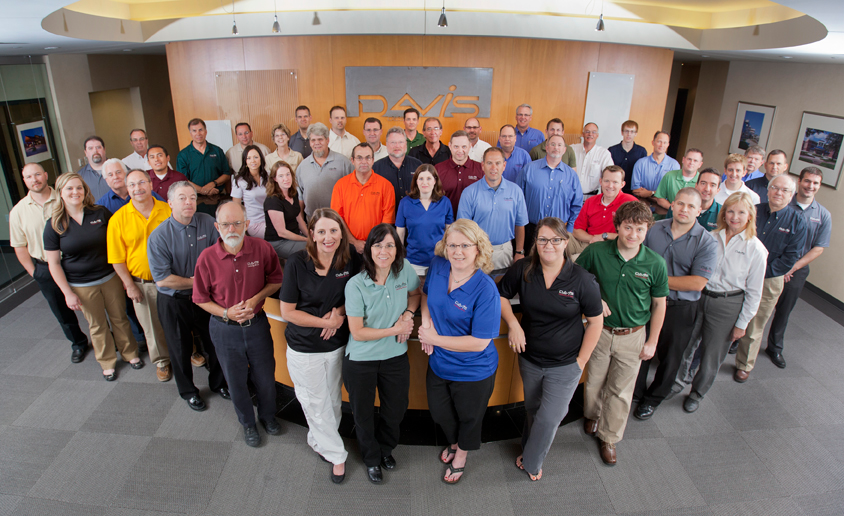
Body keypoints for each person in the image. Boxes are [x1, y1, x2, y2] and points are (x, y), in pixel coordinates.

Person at [499, 217, 603, 481]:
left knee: (549, 418)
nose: (549, 245)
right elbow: (500, 295)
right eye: (543, 239)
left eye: (555, 240)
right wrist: (513, 323)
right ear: (536, 242)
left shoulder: (581, 279)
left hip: (566, 363)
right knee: (533, 409)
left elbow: (596, 322)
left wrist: (581, 361)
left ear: (566, 242)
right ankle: (528, 446)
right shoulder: (524, 269)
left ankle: (532, 462)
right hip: (530, 358)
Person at [576, 201, 668, 466]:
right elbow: (576, 278)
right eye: (628, 227)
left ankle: (609, 437)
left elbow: (659, 304)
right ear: (617, 226)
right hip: (599, 332)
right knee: (594, 381)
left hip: (633, 335)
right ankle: (593, 415)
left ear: (647, 230)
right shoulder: (596, 251)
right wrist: (594, 299)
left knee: (620, 390)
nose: (633, 234)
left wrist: (652, 341)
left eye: (640, 229)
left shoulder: (655, 263)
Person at [279, 208, 361, 484]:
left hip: (336, 344)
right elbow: (288, 312)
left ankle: (318, 440)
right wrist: (323, 322)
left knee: (332, 399)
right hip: (305, 348)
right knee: (315, 402)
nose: (329, 237)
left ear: (342, 233)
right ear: (312, 234)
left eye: (334, 231)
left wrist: (339, 313)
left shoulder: (350, 257)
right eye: (322, 231)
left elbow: (357, 293)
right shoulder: (297, 263)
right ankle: (337, 455)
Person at [193, 201, 283, 447]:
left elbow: (276, 280)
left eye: (236, 223)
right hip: (224, 330)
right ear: (217, 227)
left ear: (246, 224)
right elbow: (200, 299)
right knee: (235, 381)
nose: (231, 229)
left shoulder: (262, 249)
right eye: (225, 224)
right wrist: (226, 313)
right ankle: (247, 423)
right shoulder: (206, 258)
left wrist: (255, 299)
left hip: (257, 326)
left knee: (265, 378)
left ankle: (267, 417)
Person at [419, 219, 501, 484]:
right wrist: (426, 323)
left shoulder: (485, 288)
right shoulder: (439, 265)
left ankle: (461, 455)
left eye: (465, 245)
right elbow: (425, 295)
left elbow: (480, 342)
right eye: (452, 245)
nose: (457, 251)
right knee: (439, 413)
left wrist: (435, 338)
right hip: (440, 362)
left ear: (478, 248)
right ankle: (454, 442)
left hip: (473, 369)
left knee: (469, 418)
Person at [674, 192, 767, 412]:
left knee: (711, 354)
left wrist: (742, 324)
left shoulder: (756, 249)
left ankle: (697, 393)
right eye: (730, 211)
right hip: (699, 296)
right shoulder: (711, 237)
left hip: (727, 304)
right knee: (685, 345)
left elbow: (755, 293)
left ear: (750, 216)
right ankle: (677, 382)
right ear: (723, 213)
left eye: (741, 212)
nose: (735, 217)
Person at [43, 173, 142, 380]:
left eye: (79, 187)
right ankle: (107, 362)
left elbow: (118, 244)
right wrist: (67, 293)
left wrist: (125, 277)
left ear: (85, 190)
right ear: (60, 193)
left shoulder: (100, 212)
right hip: (81, 285)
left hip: (110, 277)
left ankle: (130, 353)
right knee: (97, 325)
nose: (75, 192)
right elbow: (54, 264)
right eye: (69, 188)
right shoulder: (54, 224)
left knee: (120, 318)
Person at [343, 224, 422, 484]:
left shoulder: (404, 269)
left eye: (390, 245)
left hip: (395, 356)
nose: (384, 251)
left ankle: (386, 449)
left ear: (397, 249)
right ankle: (371, 459)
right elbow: (357, 332)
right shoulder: (356, 284)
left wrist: (408, 314)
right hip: (361, 360)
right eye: (378, 245)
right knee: (363, 414)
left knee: (395, 409)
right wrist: (396, 329)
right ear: (369, 249)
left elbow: (416, 294)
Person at [633, 188, 718, 420]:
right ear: (672, 204)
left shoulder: (707, 242)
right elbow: (638, 258)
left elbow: (697, 282)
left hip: (680, 307)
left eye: (691, 206)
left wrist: (655, 280)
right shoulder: (654, 229)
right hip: (646, 301)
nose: (684, 209)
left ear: (699, 211)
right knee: (640, 347)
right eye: (680, 203)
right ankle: (636, 392)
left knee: (670, 357)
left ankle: (653, 399)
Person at [148, 182, 230, 411]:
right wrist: (198, 281)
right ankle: (189, 392)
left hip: (206, 298)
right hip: (174, 300)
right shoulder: (159, 236)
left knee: (215, 342)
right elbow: (163, 279)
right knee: (180, 349)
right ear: (170, 203)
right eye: (182, 198)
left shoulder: (207, 222)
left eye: (193, 197)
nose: (188, 202)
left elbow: (221, 254)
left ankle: (219, 383)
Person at [10, 164, 89, 362]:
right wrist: (35, 273)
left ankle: (105, 335)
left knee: (91, 303)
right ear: (24, 180)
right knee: (61, 309)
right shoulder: (18, 211)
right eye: (29, 177)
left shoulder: (66, 196)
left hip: (74, 261)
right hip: (45, 267)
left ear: (46, 175)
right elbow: (20, 247)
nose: (34, 179)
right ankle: (78, 343)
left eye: (37, 174)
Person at [734, 175, 806, 381]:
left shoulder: (798, 221)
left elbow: (790, 258)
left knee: (756, 323)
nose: (778, 193)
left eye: (784, 190)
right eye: (775, 187)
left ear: (792, 195)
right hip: (740, 272)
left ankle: (744, 364)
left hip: (770, 278)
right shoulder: (753, 210)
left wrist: (759, 273)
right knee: (730, 313)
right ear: (768, 190)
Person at [107, 169, 173, 382]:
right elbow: (117, 258)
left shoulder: (168, 209)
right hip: (142, 283)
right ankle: (162, 361)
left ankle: (189, 351)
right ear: (127, 189)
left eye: (142, 183)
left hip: (173, 280)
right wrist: (129, 285)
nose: (138, 188)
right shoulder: (118, 219)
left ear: (151, 184)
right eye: (133, 185)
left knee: (178, 320)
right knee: (151, 325)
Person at [766, 167, 831, 368]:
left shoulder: (823, 215)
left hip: (797, 269)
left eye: (815, 183)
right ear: (799, 182)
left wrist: (792, 268)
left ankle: (774, 348)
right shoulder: (783, 202)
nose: (811, 186)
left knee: (784, 310)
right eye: (807, 181)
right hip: (771, 264)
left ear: (819, 186)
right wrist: (779, 267)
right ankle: (741, 340)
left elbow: (818, 248)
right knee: (757, 305)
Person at [457, 147, 528, 274]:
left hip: (504, 251)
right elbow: (463, 228)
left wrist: (519, 251)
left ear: (504, 165)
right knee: (477, 285)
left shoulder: (516, 191)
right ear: (483, 165)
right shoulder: (469, 192)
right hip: (477, 251)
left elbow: (520, 224)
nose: (493, 167)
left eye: (498, 163)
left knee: (503, 285)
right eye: (489, 163)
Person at [517, 134, 582, 249]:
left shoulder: (571, 175)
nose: (556, 147)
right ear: (546, 148)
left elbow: (577, 204)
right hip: (531, 229)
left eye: (559, 145)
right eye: (552, 144)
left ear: (564, 150)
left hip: (559, 230)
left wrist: (569, 229)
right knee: (529, 259)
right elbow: (517, 198)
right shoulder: (529, 169)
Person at [330, 143, 396, 253]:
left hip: (377, 247)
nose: (364, 161)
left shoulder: (386, 186)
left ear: (373, 160)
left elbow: (387, 221)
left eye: (368, 157)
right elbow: (337, 218)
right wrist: (354, 242)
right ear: (352, 160)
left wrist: (374, 243)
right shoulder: (340, 185)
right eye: (359, 158)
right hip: (348, 246)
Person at [395, 165, 454, 277]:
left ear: (435, 181)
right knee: (415, 289)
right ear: (416, 181)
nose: (424, 182)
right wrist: (399, 258)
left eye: (428, 178)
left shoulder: (445, 202)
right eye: (421, 178)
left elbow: (450, 232)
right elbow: (400, 234)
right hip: (413, 261)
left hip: (439, 260)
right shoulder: (405, 203)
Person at [570, 165, 637, 255]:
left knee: (576, 259)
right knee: (559, 239)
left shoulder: (631, 202)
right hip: (588, 243)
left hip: (614, 246)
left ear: (622, 184)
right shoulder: (590, 201)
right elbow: (577, 231)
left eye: (615, 182)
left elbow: (633, 234)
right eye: (606, 181)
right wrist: (593, 239)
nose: (610, 186)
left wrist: (605, 236)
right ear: (600, 181)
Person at [296, 122, 354, 220]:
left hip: (338, 219)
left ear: (327, 140)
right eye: (313, 140)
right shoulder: (302, 167)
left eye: (320, 139)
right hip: (312, 220)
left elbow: (354, 191)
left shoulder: (344, 162)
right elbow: (300, 199)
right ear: (309, 142)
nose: (316, 143)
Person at [176, 118, 231, 214]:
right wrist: (202, 190)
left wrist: (213, 183)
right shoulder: (183, 155)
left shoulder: (217, 151)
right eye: (194, 131)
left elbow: (226, 174)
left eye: (200, 130)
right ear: (190, 133)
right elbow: (183, 180)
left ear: (206, 131)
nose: (198, 133)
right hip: (194, 200)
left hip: (217, 197)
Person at [264, 161, 309, 261]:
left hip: (294, 236)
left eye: (288, 174)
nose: (286, 178)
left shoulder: (293, 193)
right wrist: (306, 239)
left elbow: (299, 220)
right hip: (278, 242)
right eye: (281, 176)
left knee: (318, 243)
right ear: (275, 179)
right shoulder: (273, 200)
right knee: (312, 249)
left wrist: (310, 236)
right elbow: (282, 232)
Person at [435, 130, 484, 215]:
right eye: (456, 146)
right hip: (446, 220)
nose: (460, 150)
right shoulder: (438, 169)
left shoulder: (481, 169)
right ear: (450, 146)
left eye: (464, 146)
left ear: (470, 146)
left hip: (473, 221)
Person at [372, 126, 422, 208]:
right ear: (386, 144)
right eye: (393, 142)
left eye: (401, 142)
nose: (397, 146)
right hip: (386, 214)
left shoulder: (418, 165)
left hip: (413, 213)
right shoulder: (376, 168)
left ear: (406, 144)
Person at [96, 158, 164, 214]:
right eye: (110, 175)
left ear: (126, 173)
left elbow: (165, 211)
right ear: (106, 180)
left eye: (118, 172)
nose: (115, 177)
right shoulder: (101, 205)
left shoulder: (147, 193)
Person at [231, 145, 269, 238]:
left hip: (272, 218)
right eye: (249, 158)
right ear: (245, 161)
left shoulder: (268, 175)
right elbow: (236, 208)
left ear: (261, 159)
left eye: (256, 157)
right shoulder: (239, 181)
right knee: (279, 234)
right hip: (254, 223)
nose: (253, 161)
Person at [570, 123, 614, 197]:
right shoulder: (572, 149)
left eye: (593, 132)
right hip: (571, 195)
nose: (590, 134)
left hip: (592, 196)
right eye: (587, 131)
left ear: (597, 135)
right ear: (582, 134)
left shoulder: (604, 153)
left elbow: (610, 175)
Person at [607, 120, 648, 193]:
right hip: (615, 189)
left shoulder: (641, 151)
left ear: (636, 133)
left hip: (634, 191)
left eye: (632, 132)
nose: (629, 134)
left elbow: (643, 173)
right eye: (626, 131)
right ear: (622, 132)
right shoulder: (612, 150)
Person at [76, 136, 110, 200]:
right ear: (85, 153)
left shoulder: (120, 168)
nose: (95, 151)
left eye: (98, 147)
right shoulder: (80, 176)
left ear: (104, 149)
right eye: (90, 148)